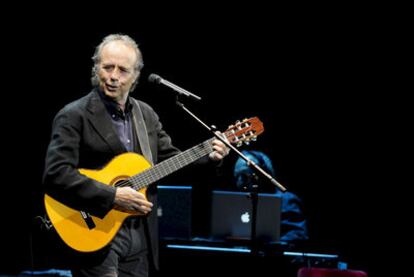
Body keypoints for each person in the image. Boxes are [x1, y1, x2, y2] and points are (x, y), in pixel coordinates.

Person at [42, 33, 229, 277]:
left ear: (135, 76)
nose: (113, 76)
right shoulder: (74, 115)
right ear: (96, 67)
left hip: (140, 235)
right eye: (107, 67)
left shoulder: (146, 115)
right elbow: (55, 175)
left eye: (122, 70)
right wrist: (113, 195)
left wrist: (211, 157)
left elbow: (171, 162)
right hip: (96, 231)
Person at [233, 150, 308, 243]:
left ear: (263, 174)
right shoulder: (235, 202)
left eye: (245, 176)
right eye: (237, 176)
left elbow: (297, 234)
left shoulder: (286, 200)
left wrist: (269, 246)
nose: (240, 182)